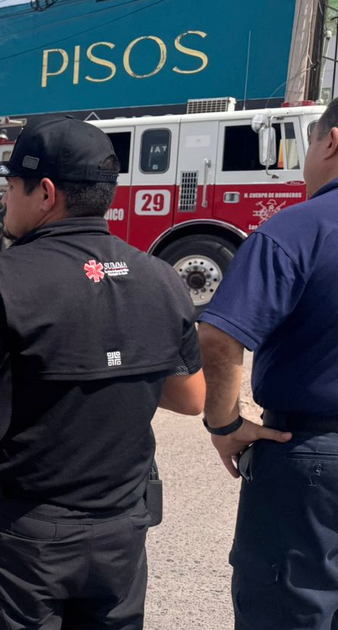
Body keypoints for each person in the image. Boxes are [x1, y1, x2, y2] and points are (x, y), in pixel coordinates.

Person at [0, 118, 205, 630]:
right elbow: (191, 397)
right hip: (122, 526)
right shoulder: (161, 278)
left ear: (45, 193)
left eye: (11, 185)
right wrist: (114, 365)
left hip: (27, 532)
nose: (4, 199)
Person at [198, 102, 338, 630]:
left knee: (290, 609)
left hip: (311, 458)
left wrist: (225, 424)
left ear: (332, 141)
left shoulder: (299, 229)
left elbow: (218, 335)